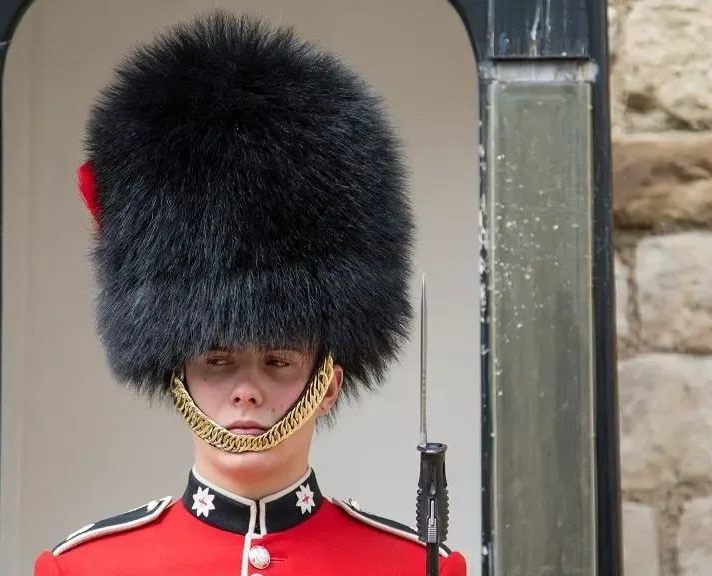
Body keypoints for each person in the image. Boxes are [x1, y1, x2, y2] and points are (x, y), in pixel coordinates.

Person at [31, 10, 468, 576]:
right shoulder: (84, 568)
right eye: (217, 360)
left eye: (279, 361)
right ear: (176, 373)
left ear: (328, 384)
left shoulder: (415, 567)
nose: (246, 392)